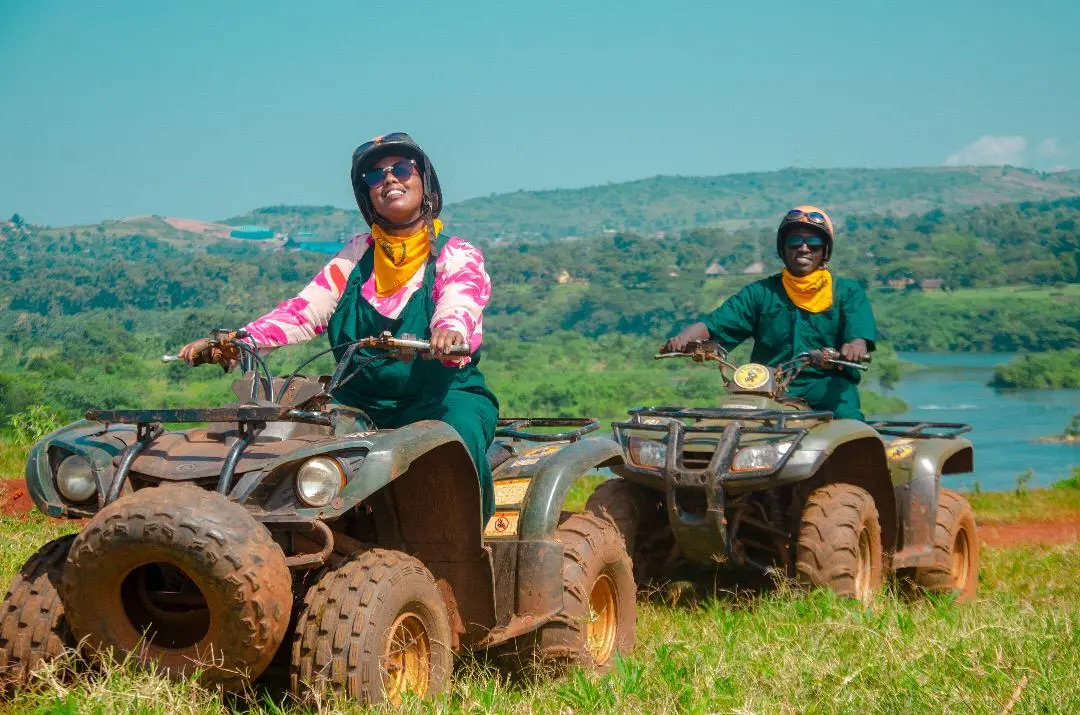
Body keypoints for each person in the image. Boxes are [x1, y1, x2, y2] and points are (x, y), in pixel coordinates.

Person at [179, 133, 500, 521]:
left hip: (442, 399)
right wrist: (236, 342)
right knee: (284, 448)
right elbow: (303, 311)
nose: (389, 180)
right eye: (374, 176)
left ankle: (462, 544)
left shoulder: (456, 253)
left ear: (424, 181)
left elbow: (461, 299)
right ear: (366, 195)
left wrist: (449, 332)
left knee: (457, 436)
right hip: (357, 404)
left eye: (401, 169)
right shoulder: (356, 254)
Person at [664, 205, 877, 420]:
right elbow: (714, 324)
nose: (804, 248)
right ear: (783, 248)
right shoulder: (760, 293)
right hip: (769, 384)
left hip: (827, 384)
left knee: (848, 423)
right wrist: (685, 338)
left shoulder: (847, 292)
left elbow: (858, 334)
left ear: (824, 250)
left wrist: (856, 345)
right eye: (795, 242)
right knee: (728, 423)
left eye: (813, 243)